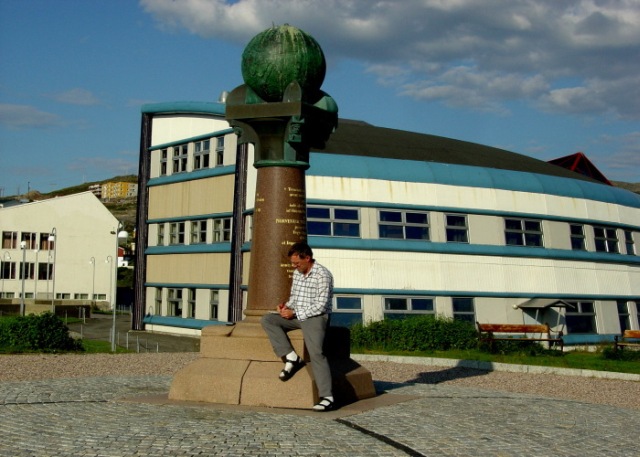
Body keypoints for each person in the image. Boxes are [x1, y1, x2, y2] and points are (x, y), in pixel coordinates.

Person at [261, 242, 335, 412]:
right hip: (296, 314)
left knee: (316, 352)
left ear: (307, 258)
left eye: (297, 263)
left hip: (316, 317)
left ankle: (327, 397)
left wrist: (294, 314)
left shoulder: (323, 275)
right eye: (293, 263)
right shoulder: (297, 273)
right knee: (267, 320)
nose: (294, 266)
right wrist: (285, 307)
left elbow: (321, 305)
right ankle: (291, 357)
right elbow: (294, 297)